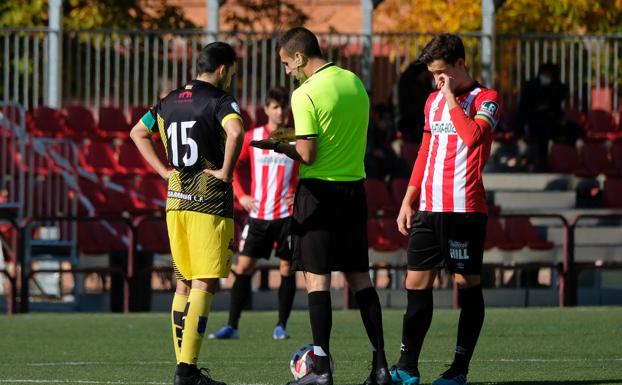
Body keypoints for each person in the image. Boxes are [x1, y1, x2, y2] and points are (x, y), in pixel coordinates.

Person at [252, 27, 389, 385]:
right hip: (354, 191)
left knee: (318, 282)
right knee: (361, 279)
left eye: (285, 63)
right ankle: (381, 366)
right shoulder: (355, 82)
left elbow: (309, 153)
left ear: (299, 57)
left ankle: (322, 370)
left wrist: (277, 146)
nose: (286, 71)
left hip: (319, 194)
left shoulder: (305, 93)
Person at [389, 34, 503, 385]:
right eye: (432, 74)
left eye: (441, 73)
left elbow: (472, 138)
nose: (436, 80)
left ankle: (459, 370)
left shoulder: (487, 99)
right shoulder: (431, 101)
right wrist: (409, 199)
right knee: (415, 285)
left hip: (464, 210)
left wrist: (451, 97)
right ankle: (407, 368)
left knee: (465, 284)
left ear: (459, 65)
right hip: (429, 209)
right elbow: (425, 151)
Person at [130, 42, 244, 385]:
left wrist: (163, 171)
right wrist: (225, 172)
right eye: (233, 71)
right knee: (204, 282)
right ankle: (187, 371)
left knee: (183, 284)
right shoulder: (220, 101)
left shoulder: (167, 101)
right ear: (223, 69)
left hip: (176, 200)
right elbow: (236, 131)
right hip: (208, 202)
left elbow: (137, 132)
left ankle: (184, 366)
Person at [209, 86, 299, 341]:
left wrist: (300, 193)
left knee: (286, 268)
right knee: (243, 266)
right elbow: (233, 166)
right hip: (259, 215)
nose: (280, 112)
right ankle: (232, 325)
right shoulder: (253, 137)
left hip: (286, 216)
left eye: (284, 107)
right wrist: (241, 195)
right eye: (275, 107)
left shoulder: (297, 139)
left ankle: (281, 325)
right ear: (266, 109)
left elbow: (311, 168)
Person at [517, 62, 568, 171]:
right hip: (535, 123)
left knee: (572, 129)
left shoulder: (557, 87)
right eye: (545, 73)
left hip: (553, 122)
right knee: (543, 133)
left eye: (549, 74)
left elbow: (559, 98)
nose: (546, 76)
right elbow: (524, 108)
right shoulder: (531, 86)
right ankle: (541, 164)